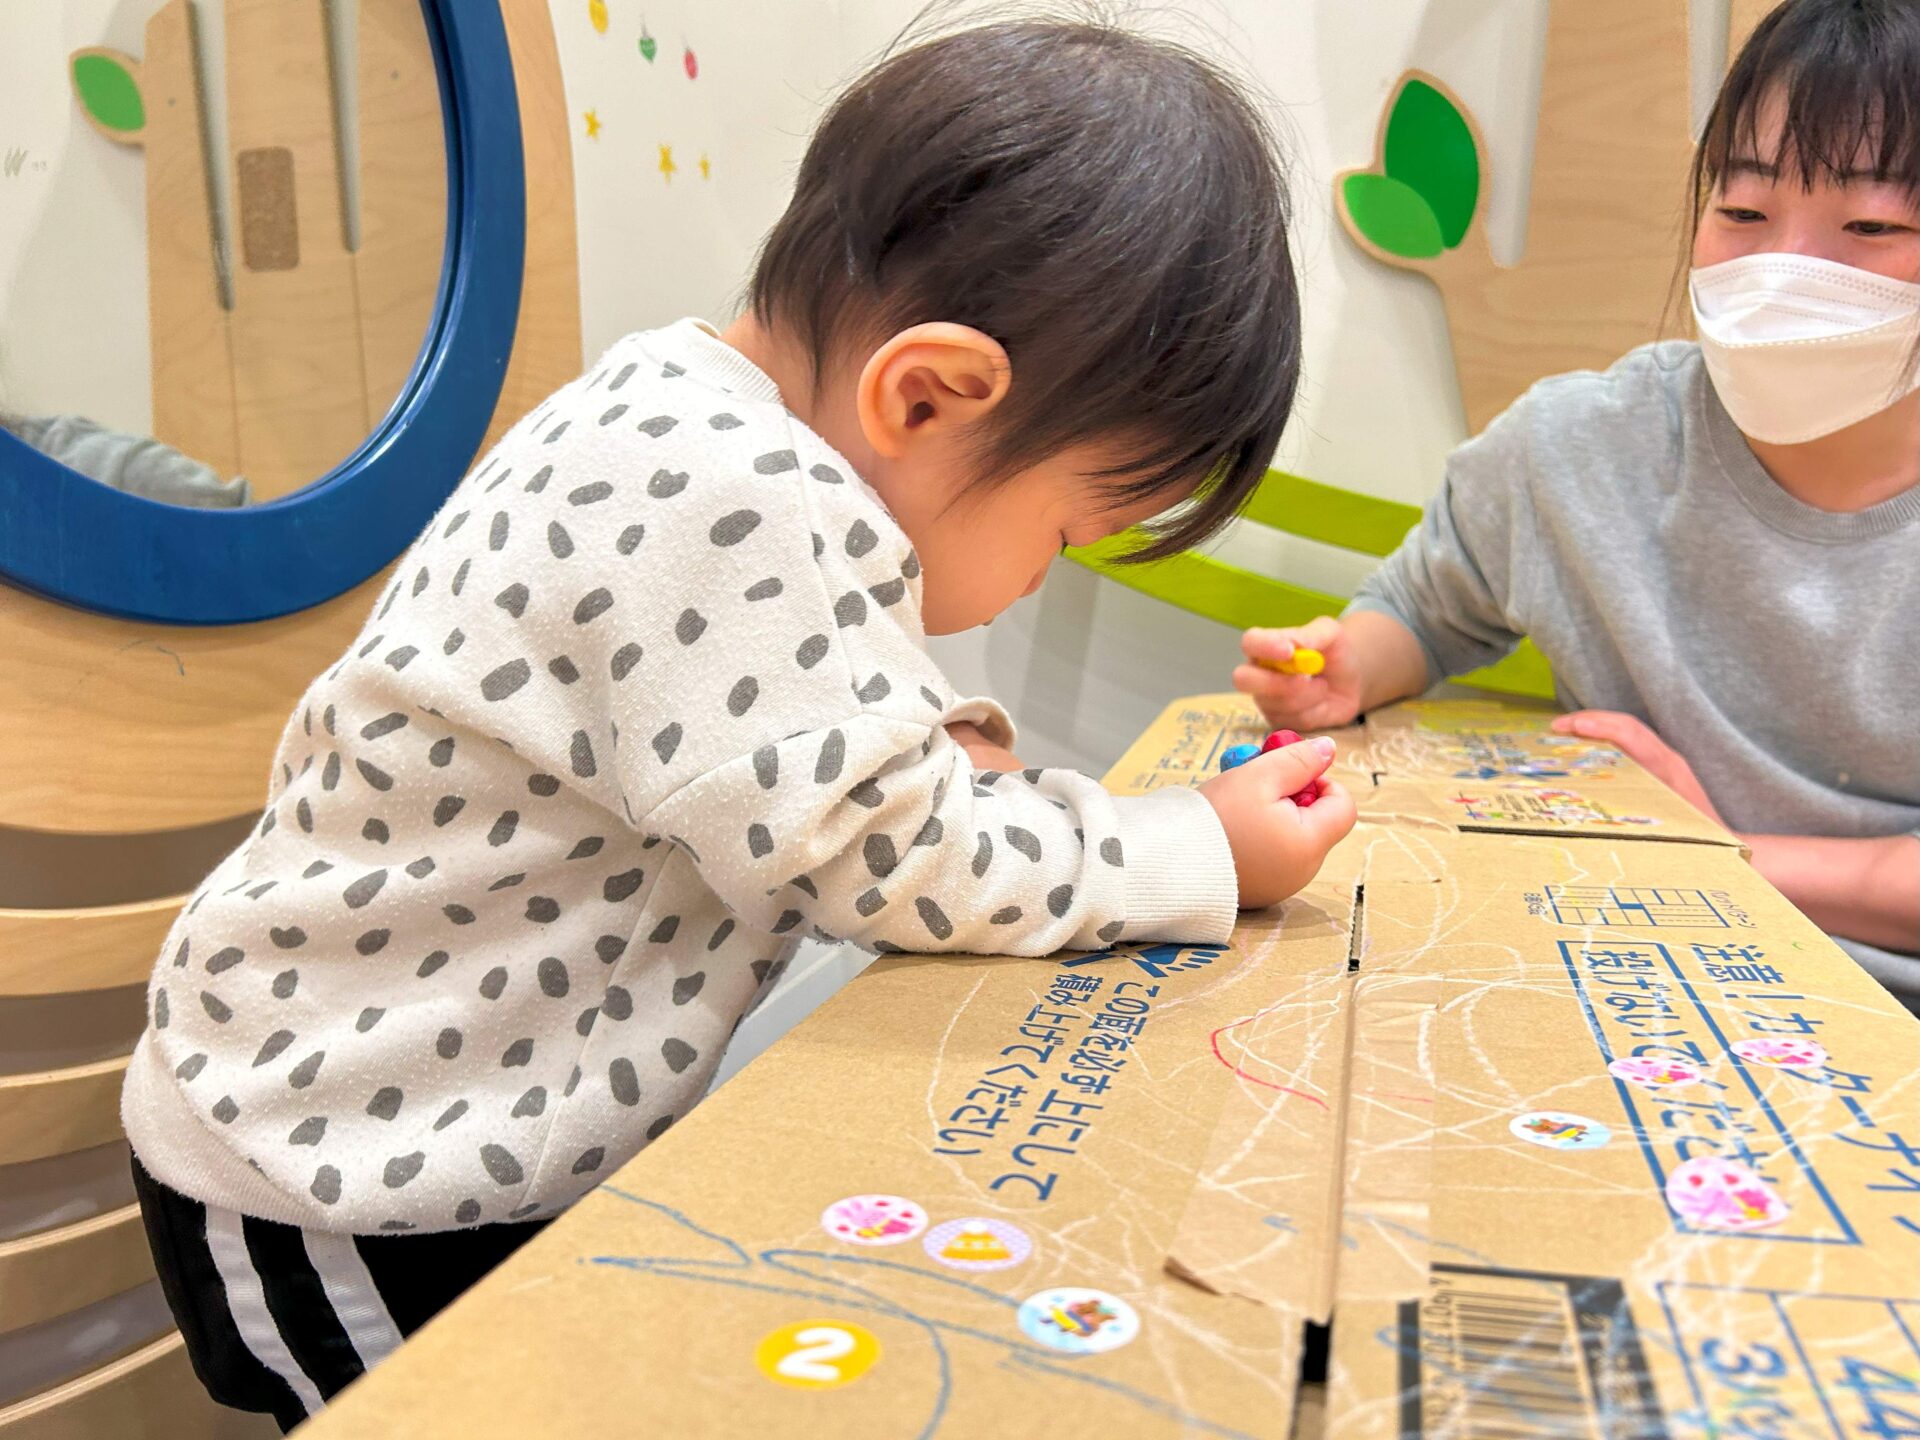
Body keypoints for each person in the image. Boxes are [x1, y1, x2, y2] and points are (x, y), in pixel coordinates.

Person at [123, 18, 1354, 1431]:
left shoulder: (694, 415)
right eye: (1066, 536)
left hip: (450, 1128)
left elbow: (755, 710)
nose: (1038, 579)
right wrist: (1189, 849)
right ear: (927, 395)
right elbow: (890, 859)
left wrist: (947, 739)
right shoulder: (733, 493)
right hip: (339, 1164)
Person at [1237, 0, 1919, 1010]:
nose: (1783, 271)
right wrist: (1352, 666)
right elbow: (1423, 608)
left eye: (1872, 226)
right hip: (1610, 965)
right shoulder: (1575, 444)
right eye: (1742, 212)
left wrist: (1713, 849)